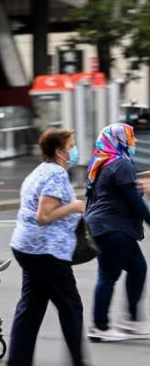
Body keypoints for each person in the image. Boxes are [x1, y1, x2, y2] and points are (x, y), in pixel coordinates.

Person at [3, 128, 116, 366]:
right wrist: (74, 206)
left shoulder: (39, 171)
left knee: (31, 306)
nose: (75, 150)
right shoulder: (55, 173)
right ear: (60, 151)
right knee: (70, 306)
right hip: (47, 252)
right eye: (72, 145)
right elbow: (44, 216)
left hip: (27, 247)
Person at [85, 124, 150, 341]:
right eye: (131, 137)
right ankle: (100, 328)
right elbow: (134, 202)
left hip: (105, 226)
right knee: (108, 276)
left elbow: (104, 195)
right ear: (119, 140)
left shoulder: (100, 162)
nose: (135, 141)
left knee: (138, 268)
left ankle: (132, 321)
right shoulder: (121, 164)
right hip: (114, 227)